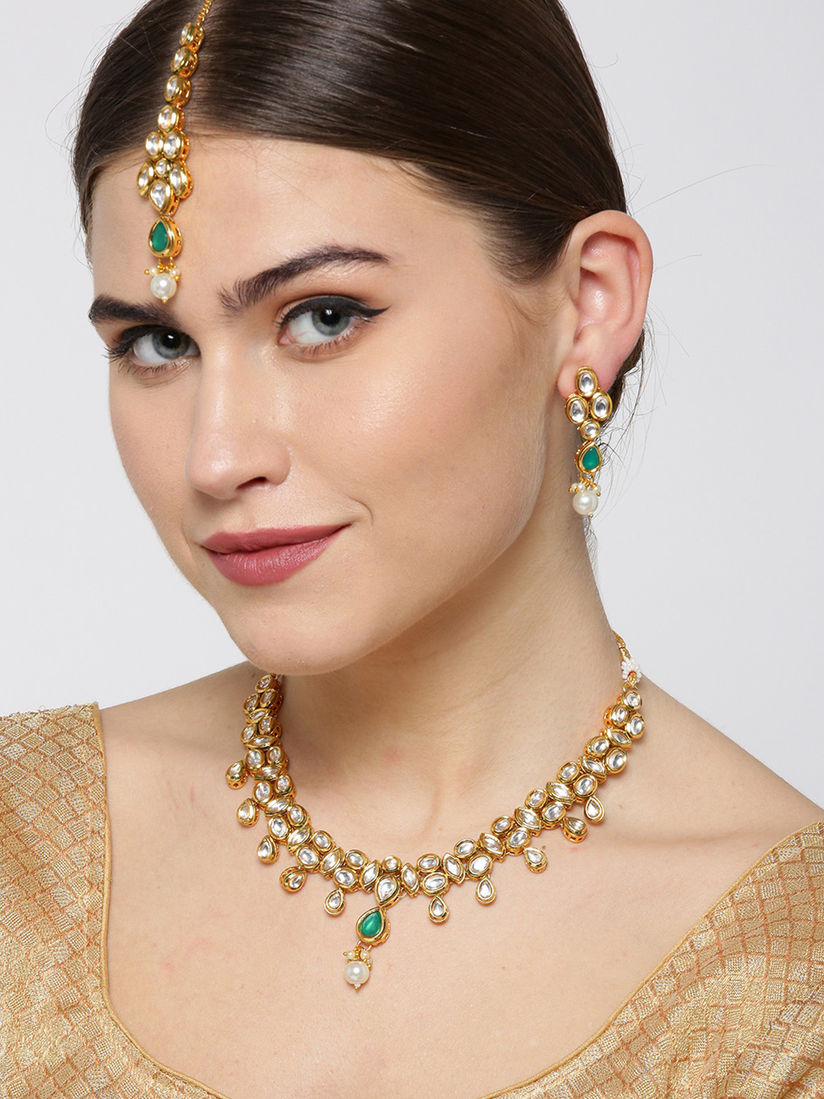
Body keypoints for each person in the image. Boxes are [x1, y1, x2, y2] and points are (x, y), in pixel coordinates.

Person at [2, 0, 822, 1096]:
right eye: (157, 343)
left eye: (323, 316)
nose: (216, 455)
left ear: (588, 304)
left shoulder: (785, 990)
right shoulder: (22, 852)